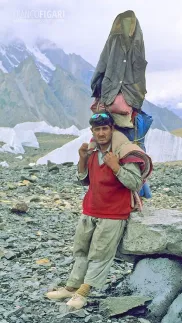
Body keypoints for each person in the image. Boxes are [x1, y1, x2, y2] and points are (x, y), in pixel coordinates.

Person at [46, 112, 152, 309]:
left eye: (105, 128)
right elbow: (84, 180)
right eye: (98, 129)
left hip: (113, 213)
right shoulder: (93, 151)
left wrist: (116, 167)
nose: (102, 133)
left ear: (112, 129)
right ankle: (71, 287)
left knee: (100, 254)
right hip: (90, 209)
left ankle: (84, 292)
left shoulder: (125, 153)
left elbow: (135, 183)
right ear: (92, 131)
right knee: (81, 250)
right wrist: (82, 159)